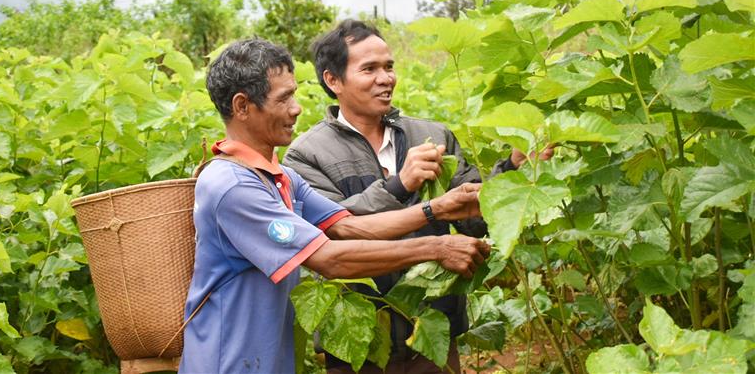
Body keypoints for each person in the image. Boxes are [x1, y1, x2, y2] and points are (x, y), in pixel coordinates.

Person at [179, 38, 491, 374]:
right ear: (242, 107)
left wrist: (438, 209)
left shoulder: (279, 175)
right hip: (227, 362)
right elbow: (329, 258)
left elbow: (350, 226)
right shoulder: (234, 186)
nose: (296, 108)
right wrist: (437, 246)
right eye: (283, 98)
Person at [284, 19, 552, 373]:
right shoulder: (306, 155)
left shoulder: (431, 136)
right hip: (360, 337)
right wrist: (400, 185)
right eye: (369, 69)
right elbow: (334, 228)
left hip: (433, 327)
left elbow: (475, 218)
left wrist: (513, 173)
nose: (386, 78)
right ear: (333, 80)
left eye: (389, 67)